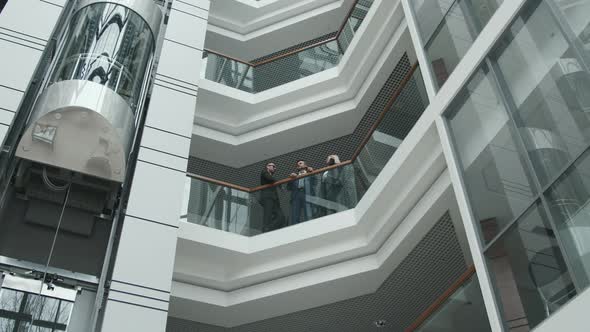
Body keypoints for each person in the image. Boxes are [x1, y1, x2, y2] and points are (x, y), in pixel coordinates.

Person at [287, 160, 315, 225]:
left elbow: (315, 183)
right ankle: (295, 228)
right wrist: (290, 179)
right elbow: (288, 188)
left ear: (305, 165)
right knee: (295, 214)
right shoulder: (295, 176)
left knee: (308, 212)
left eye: (300, 163)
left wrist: (312, 172)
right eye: (297, 164)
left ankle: (310, 225)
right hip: (296, 195)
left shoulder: (309, 173)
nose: (298, 165)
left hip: (307, 194)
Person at [259, 162, 285, 232]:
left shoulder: (272, 178)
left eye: (274, 167)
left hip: (273, 199)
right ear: (267, 167)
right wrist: (279, 185)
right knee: (267, 214)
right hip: (267, 197)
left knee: (281, 216)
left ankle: (270, 228)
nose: (274, 168)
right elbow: (270, 179)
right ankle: (266, 229)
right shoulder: (264, 172)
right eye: (273, 166)